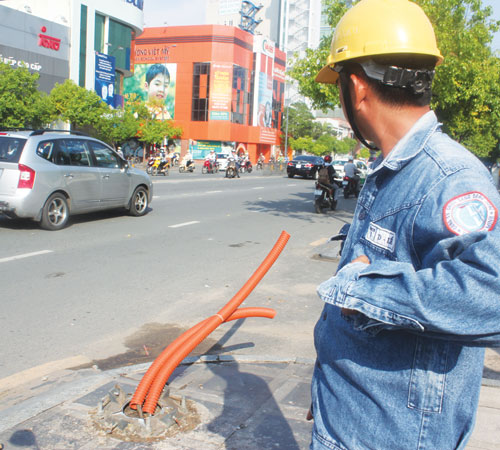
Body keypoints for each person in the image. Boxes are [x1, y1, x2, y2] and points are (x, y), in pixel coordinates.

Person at [309, 1, 500, 449]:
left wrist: (359, 288)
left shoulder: (448, 176)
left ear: (355, 89)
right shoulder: (391, 171)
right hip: (353, 422)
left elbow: (492, 294)